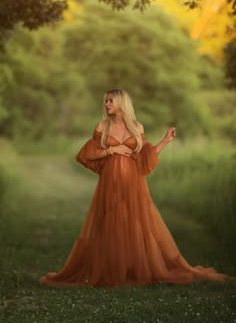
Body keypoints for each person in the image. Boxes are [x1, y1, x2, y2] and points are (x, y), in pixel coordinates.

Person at [39, 88, 234, 287]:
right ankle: (110, 271)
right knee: (110, 224)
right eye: (105, 101)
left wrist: (165, 141)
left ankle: (136, 268)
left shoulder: (137, 127)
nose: (106, 104)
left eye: (110, 101)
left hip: (134, 184)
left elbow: (145, 158)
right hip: (110, 184)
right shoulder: (103, 127)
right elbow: (87, 154)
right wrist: (111, 149)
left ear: (122, 103)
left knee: (137, 224)